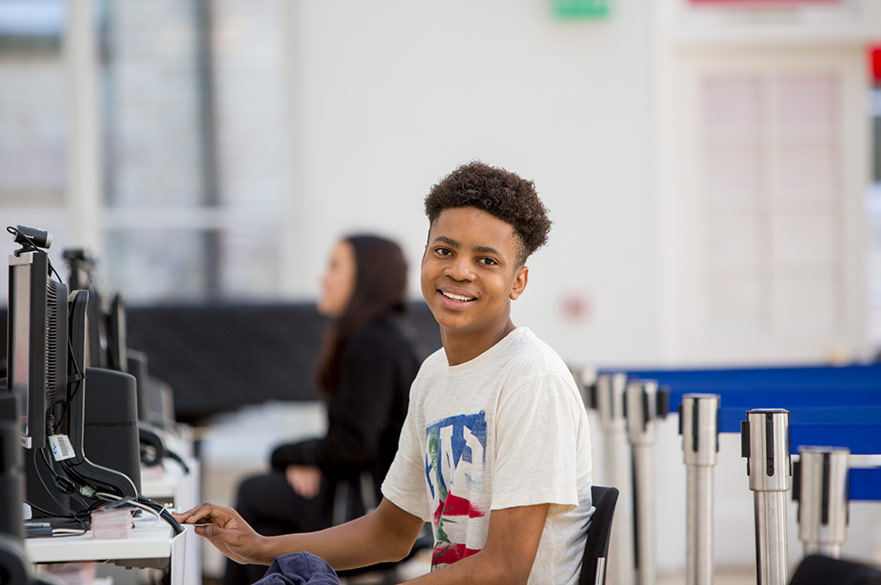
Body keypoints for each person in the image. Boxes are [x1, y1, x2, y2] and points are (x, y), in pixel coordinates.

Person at [176, 161, 593, 585]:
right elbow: (390, 533)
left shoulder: (531, 379)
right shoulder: (433, 375)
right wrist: (258, 548)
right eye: (444, 251)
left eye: (486, 260)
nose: (459, 271)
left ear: (517, 282)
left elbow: (505, 570)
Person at [224, 234, 423, 585]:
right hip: (360, 491)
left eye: (334, 267)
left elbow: (353, 447)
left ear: (365, 277)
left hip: (367, 506)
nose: (323, 278)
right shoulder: (387, 334)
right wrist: (309, 459)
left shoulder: (373, 342)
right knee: (266, 515)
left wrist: (286, 454)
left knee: (254, 496)